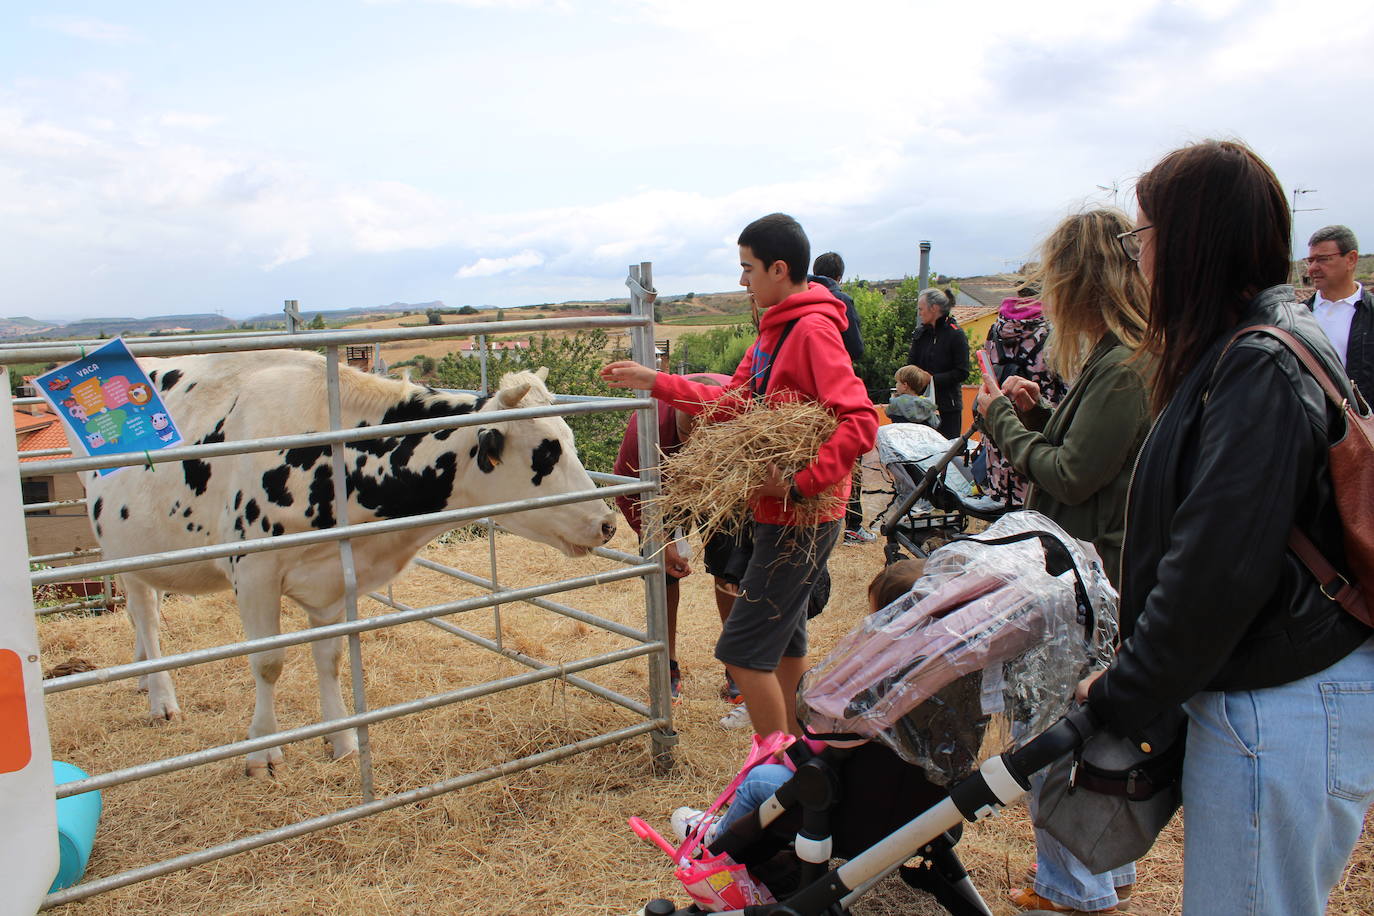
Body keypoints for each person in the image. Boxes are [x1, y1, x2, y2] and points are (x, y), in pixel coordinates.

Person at [1075, 140, 1374, 915]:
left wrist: (1122, 690)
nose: (1138, 256)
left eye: (1143, 236)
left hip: (1284, 701)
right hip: (1283, 692)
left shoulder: (1258, 365)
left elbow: (1217, 569)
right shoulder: (1249, 350)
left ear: (1190, 241)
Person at [602, 213, 879, 738]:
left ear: (779, 268)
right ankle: (798, 752)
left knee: (744, 653)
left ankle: (775, 768)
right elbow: (731, 402)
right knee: (787, 642)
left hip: (802, 511)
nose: (742, 280)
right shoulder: (773, 333)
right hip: (778, 509)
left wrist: (801, 484)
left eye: (747, 268)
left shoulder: (812, 331)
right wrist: (654, 380)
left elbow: (861, 420)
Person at [973, 208, 1152, 915]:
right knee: (1082, 733)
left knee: (1047, 731)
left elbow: (1074, 476)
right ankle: (1100, 878)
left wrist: (1002, 420)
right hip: (1089, 571)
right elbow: (1089, 455)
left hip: (1085, 579)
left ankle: (1074, 887)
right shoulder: (1119, 356)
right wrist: (1038, 414)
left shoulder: (1124, 365)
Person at [670, 558, 929, 845]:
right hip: (920, 808)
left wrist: (792, 752)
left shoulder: (872, 681)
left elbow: (830, 740)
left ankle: (719, 839)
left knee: (760, 778)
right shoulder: (943, 675)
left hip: (854, 807)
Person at [612, 372, 750, 703]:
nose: (698, 441)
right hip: (664, 488)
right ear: (676, 410)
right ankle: (667, 664)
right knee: (661, 574)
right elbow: (627, 488)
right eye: (692, 430)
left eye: (710, 432)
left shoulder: (742, 408)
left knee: (731, 569)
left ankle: (737, 667)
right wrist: (659, 540)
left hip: (724, 484)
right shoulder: (645, 424)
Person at [979, 284, 1067, 507]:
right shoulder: (1054, 333)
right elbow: (1067, 392)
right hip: (1036, 437)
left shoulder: (996, 329)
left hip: (998, 429)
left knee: (1004, 514)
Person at [811, 251, 875, 546]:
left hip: (803, 399)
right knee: (849, 457)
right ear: (839, 277)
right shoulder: (840, 300)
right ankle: (853, 525)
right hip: (834, 390)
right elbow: (857, 349)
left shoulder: (799, 295)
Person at [1302, 225, 1373, 399]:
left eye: (1323, 259)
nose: (1312, 269)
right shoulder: (1297, 317)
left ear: (1351, 259)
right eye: (1310, 261)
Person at [906, 287, 968, 440]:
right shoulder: (920, 334)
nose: (919, 313)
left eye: (921, 309)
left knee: (946, 453)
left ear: (934, 308)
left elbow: (962, 372)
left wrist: (932, 379)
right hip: (920, 407)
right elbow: (911, 364)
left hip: (947, 406)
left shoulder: (956, 335)